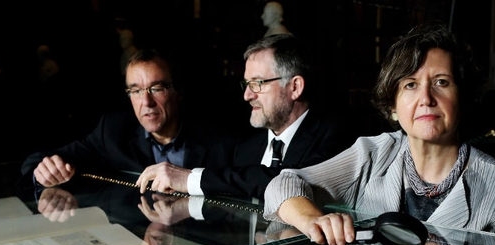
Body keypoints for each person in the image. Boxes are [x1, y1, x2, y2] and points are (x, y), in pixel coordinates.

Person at [263, 21, 495, 245]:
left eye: (441, 82)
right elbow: (282, 185)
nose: (426, 98)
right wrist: (314, 220)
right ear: (392, 107)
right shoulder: (373, 154)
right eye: (411, 85)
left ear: (462, 99)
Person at [135, 33, 356, 199]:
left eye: (257, 84)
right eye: (246, 84)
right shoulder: (248, 146)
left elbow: (283, 182)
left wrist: (190, 178)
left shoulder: (336, 138)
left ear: (295, 87)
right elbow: (232, 203)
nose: (247, 95)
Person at [21, 49, 229, 189]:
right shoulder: (113, 132)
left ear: (178, 92)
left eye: (156, 89)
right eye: (136, 91)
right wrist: (42, 171)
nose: (146, 102)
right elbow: (38, 160)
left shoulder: (217, 136)